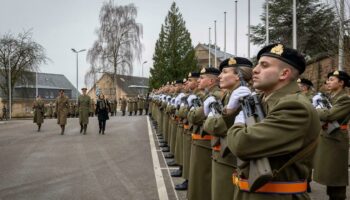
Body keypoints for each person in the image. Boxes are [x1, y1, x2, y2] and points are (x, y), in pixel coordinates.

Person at [227, 43, 321, 199]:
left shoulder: (295, 107)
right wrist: (229, 111)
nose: (255, 70)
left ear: (284, 73)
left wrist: (238, 121)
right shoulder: (262, 101)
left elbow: (242, 144)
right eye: (257, 64)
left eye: (264, 65)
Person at [202, 57, 253, 200]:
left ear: (238, 76)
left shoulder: (243, 96)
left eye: (224, 72)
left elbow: (215, 126)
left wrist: (211, 118)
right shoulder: (230, 95)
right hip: (223, 156)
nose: (220, 76)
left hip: (231, 159)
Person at [312, 70, 350, 200]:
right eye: (328, 79)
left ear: (341, 83)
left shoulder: (344, 98)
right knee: (330, 175)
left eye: (332, 79)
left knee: (336, 176)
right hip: (329, 137)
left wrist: (316, 108)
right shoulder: (332, 97)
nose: (328, 82)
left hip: (337, 139)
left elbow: (329, 115)